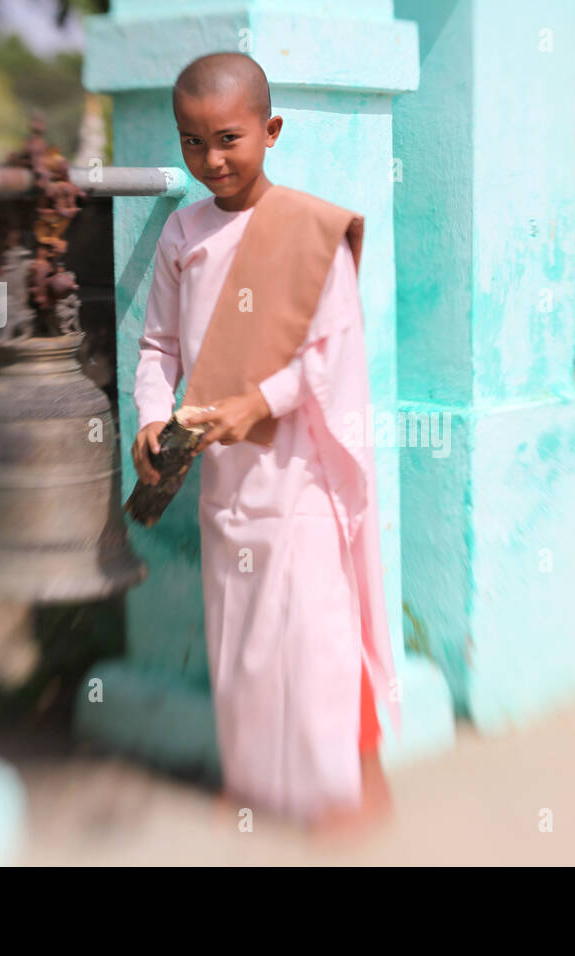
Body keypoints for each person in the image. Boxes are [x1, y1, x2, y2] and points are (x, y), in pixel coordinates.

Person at [130, 51, 399, 834]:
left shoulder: (310, 231)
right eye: (191, 143)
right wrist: (153, 415)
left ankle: (340, 786)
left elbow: (332, 353)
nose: (210, 160)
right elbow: (157, 350)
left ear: (270, 131)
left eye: (228, 139)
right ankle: (255, 780)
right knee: (241, 632)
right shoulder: (183, 231)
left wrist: (259, 401)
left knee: (315, 627)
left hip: (299, 470)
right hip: (224, 475)